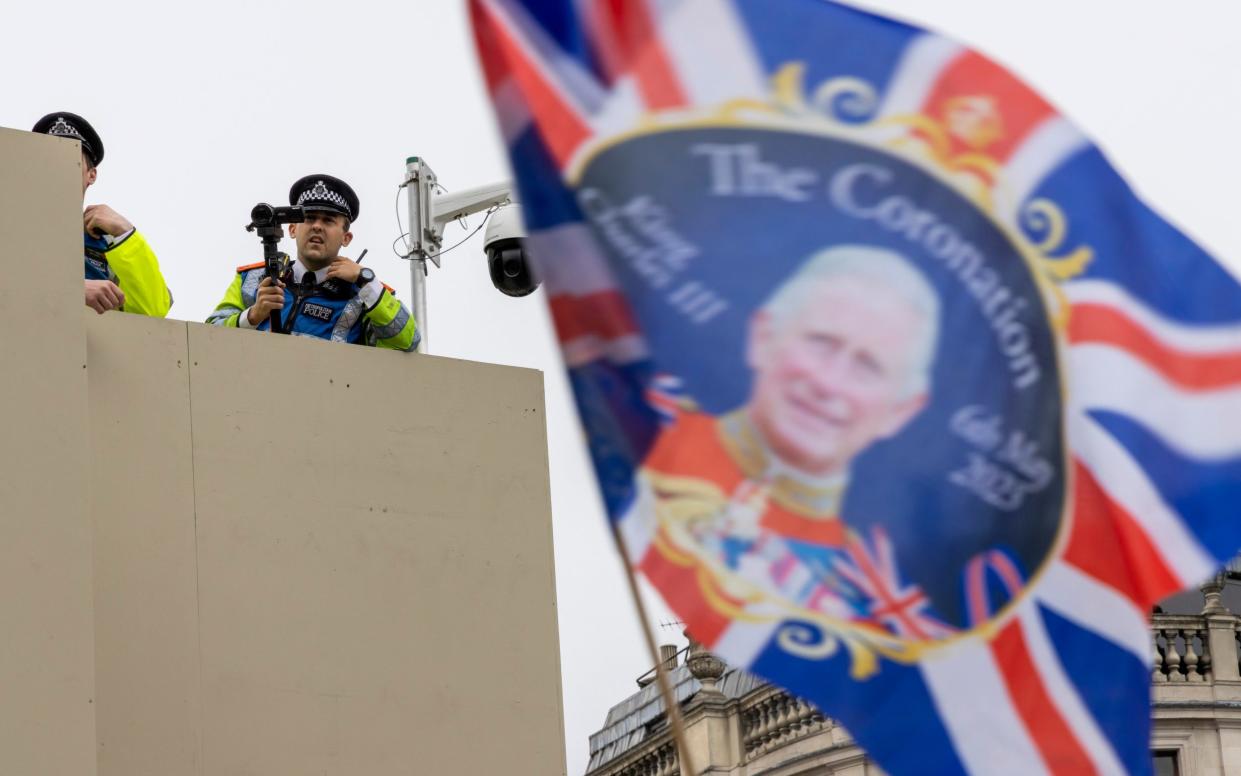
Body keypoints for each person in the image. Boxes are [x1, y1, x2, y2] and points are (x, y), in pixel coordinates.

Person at [638, 245, 952, 639]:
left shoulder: (861, 610)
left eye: (867, 366)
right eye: (820, 343)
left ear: (901, 411)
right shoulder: (639, 433)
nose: (829, 382)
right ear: (762, 338)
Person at [206, 174, 418, 351]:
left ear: (346, 238)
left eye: (328, 220)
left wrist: (366, 280)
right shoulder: (251, 279)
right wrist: (252, 316)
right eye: (309, 218)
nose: (317, 226)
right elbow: (208, 338)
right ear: (292, 229)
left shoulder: (366, 295)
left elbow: (408, 342)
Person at [33, 111, 171, 317]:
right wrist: (74, 291)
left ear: (91, 174)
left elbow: (153, 311)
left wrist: (126, 233)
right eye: (49, 158)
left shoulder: (108, 244)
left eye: (71, 158)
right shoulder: (10, 226)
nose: (58, 166)